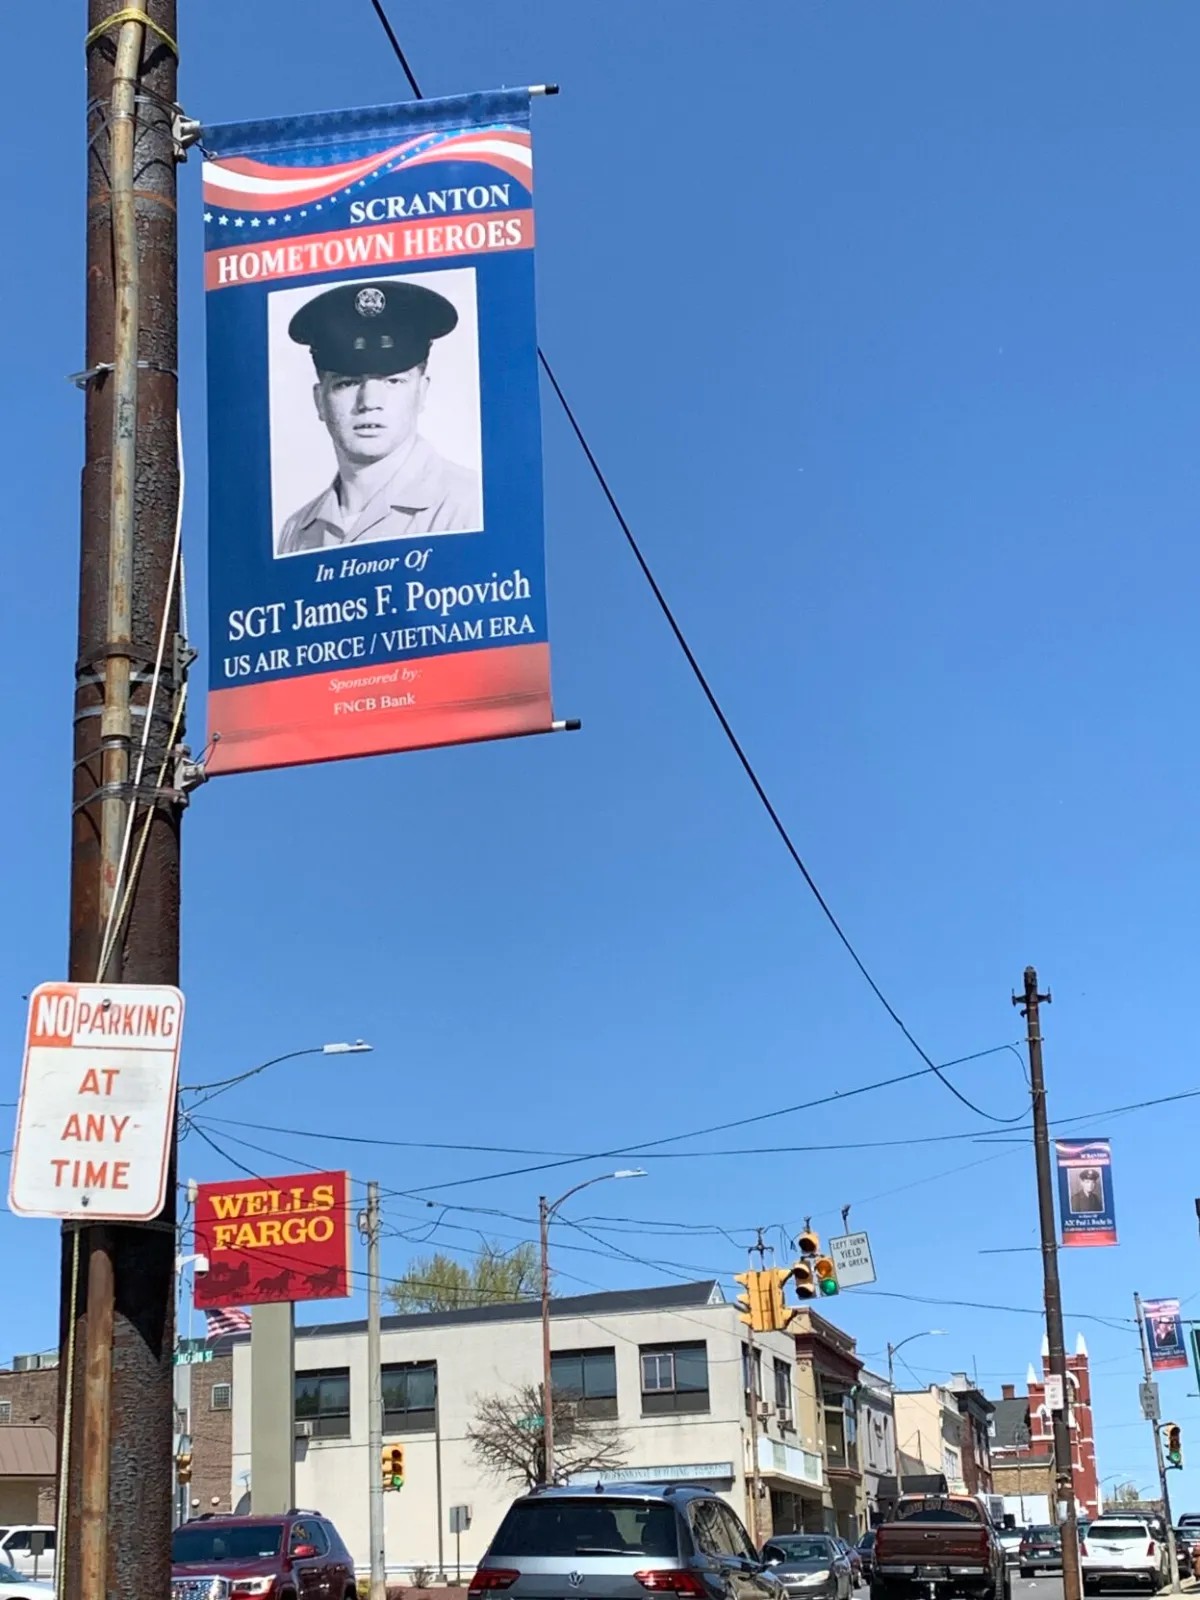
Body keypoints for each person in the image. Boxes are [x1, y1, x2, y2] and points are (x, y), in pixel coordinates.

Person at [277, 278, 482, 554]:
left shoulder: (471, 506)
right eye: (347, 383)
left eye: (393, 381)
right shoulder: (297, 531)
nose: (369, 402)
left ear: (421, 392)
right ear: (319, 401)